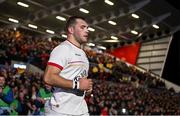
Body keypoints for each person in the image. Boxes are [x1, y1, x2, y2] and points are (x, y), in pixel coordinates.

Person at [44, 16, 93, 115]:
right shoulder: (63, 49)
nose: (87, 30)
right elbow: (48, 77)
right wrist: (78, 85)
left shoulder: (83, 54)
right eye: (82, 27)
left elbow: (80, 80)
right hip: (61, 110)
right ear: (71, 30)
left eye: (87, 28)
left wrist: (87, 87)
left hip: (80, 109)